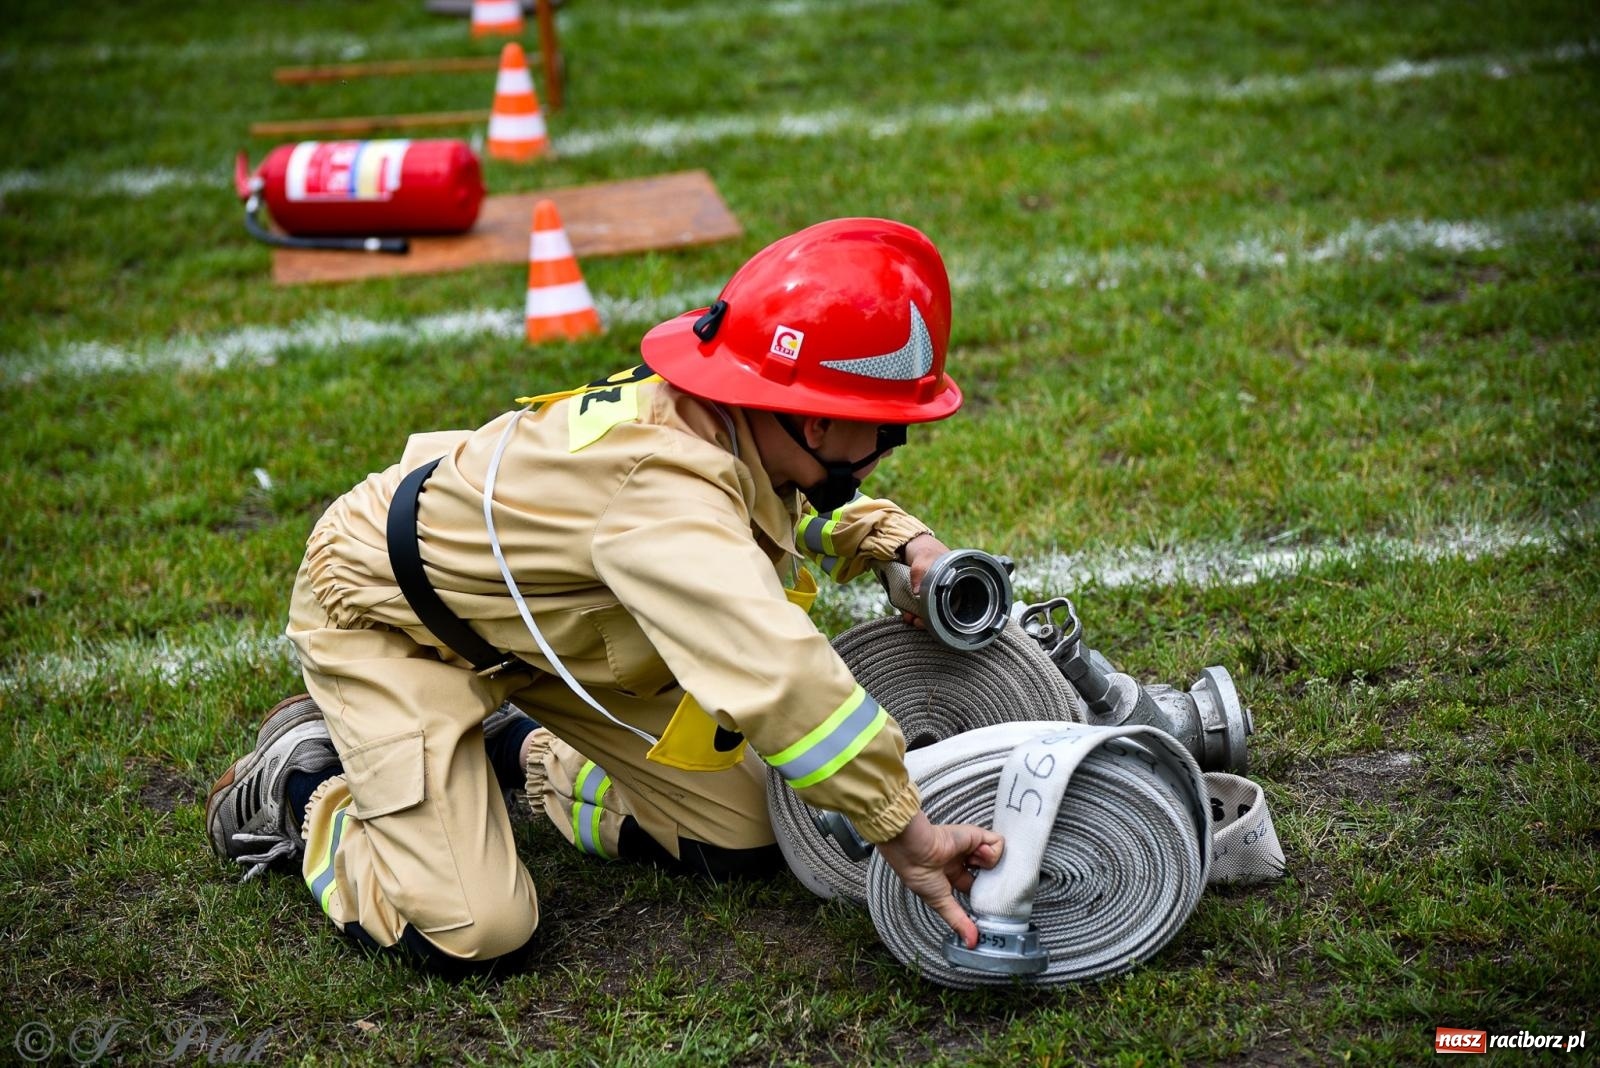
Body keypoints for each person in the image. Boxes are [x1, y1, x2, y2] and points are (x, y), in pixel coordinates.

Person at [206, 217, 1004, 972]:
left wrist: (900, 544)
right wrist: (903, 828)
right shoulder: (662, 493)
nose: (892, 447)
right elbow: (782, 674)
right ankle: (301, 785)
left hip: (530, 618)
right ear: (817, 423)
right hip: (391, 619)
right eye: (887, 428)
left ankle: (509, 746)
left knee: (749, 830)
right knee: (476, 933)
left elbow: (771, 505)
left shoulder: (728, 419)